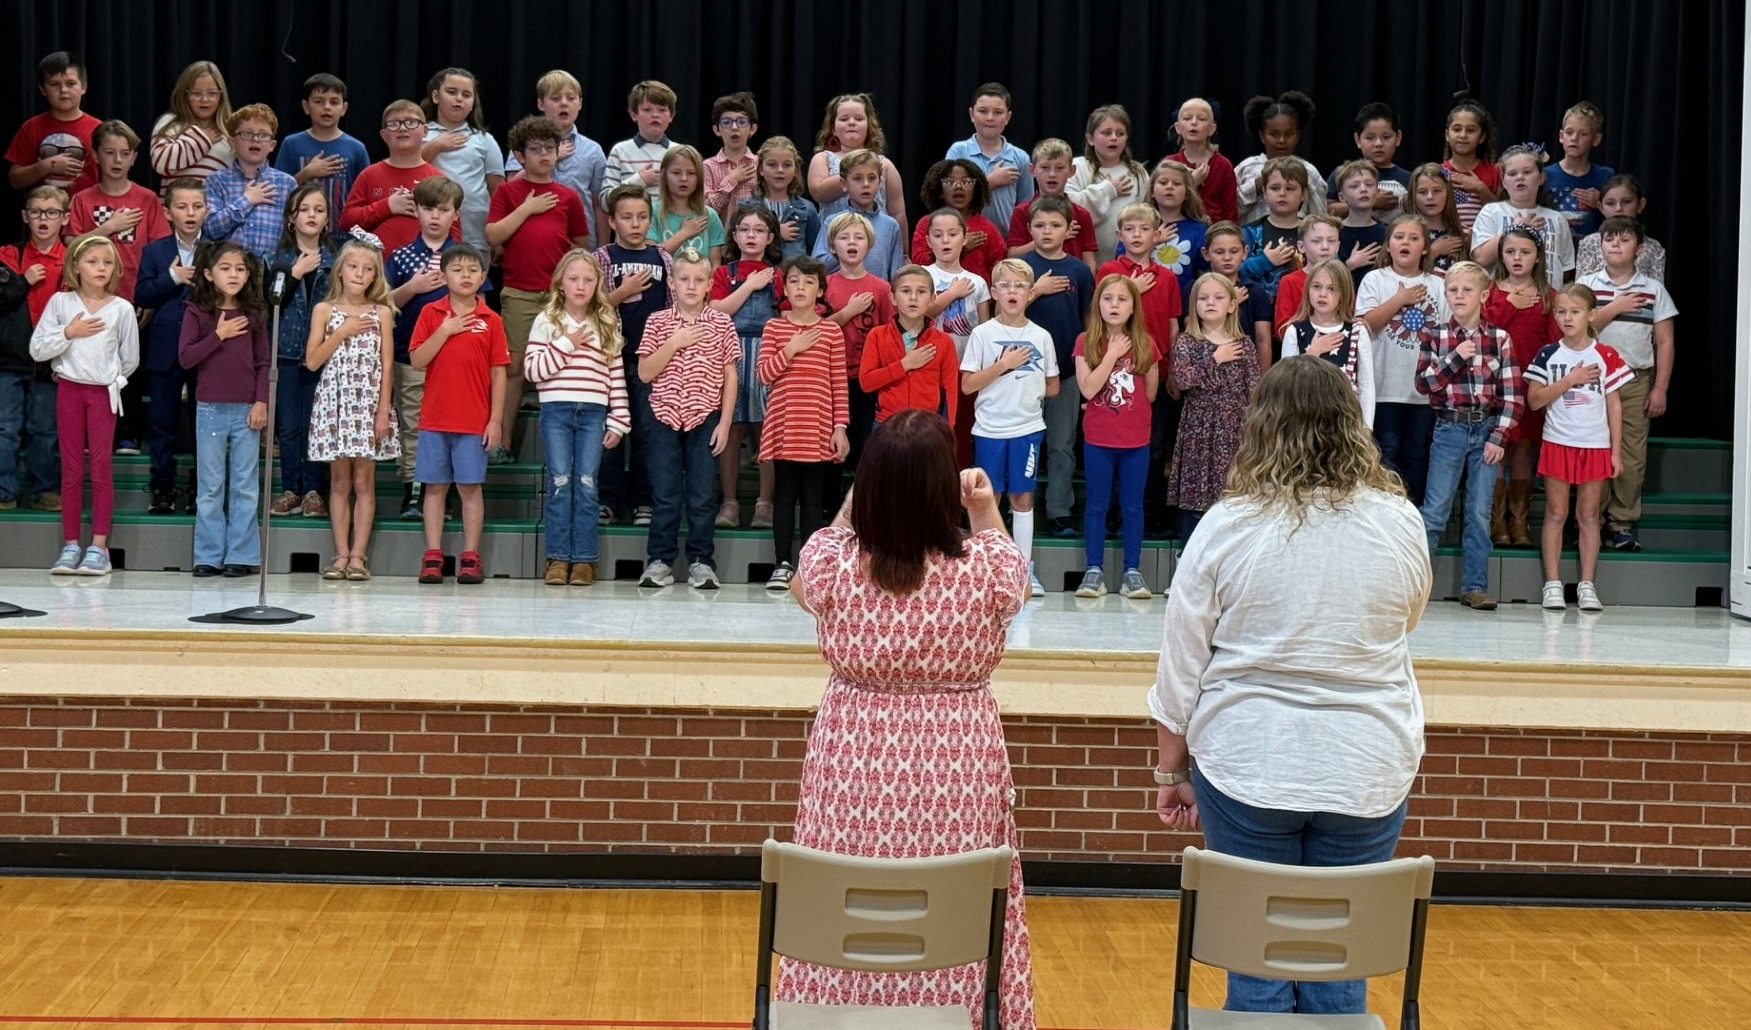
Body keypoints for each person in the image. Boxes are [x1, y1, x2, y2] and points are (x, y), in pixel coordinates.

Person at [1150, 355, 1429, 1019]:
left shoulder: (1228, 524)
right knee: (1340, 961)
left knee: (1257, 961)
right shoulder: (1397, 521)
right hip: (1365, 761)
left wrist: (1169, 773)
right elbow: (1405, 617)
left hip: (1247, 760)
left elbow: (1179, 667)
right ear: (1352, 424)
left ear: (1260, 426)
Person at [780, 408, 1037, 1030]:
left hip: (853, 755)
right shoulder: (983, 570)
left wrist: (857, 504)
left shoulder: (835, 564)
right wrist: (981, 508)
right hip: (958, 759)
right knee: (958, 897)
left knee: (846, 889)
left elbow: (807, 576)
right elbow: (1015, 577)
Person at [1415, 261, 1523, 611]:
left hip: (1487, 431)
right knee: (1434, 511)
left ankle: (1475, 587)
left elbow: (1512, 395)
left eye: (1466, 290)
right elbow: (1423, 385)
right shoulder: (1435, 336)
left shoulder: (1499, 338)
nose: (1459, 296)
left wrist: (1499, 437)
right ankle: (1416, 589)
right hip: (1449, 428)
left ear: (1484, 294)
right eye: (1452, 290)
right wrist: (1453, 360)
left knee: (1479, 511)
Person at [485, 115, 593, 465]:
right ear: (519, 155)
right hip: (519, 291)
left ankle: (561, 449)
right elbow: (493, 236)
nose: (545, 154)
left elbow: (580, 247)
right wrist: (528, 208)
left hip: (558, 296)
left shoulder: (568, 196)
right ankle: (501, 441)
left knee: (564, 363)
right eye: (536, 149)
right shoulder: (508, 192)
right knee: (513, 367)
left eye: (550, 148)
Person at [30, 235, 138, 576]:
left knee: (101, 468)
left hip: (101, 395)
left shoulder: (121, 309)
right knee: (72, 469)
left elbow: (130, 359)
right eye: (93, 261)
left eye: (107, 263)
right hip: (69, 393)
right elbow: (37, 349)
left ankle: (99, 547)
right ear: (76, 265)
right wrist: (69, 332)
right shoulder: (61, 304)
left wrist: (112, 382)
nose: (101, 268)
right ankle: (71, 544)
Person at [636, 250, 739, 590]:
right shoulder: (658, 322)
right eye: (684, 279)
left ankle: (700, 561)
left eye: (698, 280)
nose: (691, 286)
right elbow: (646, 371)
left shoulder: (721, 323)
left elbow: (730, 375)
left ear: (710, 284)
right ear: (672, 282)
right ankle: (660, 561)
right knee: (665, 495)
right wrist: (675, 342)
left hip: (705, 419)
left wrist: (724, 423)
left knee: (701, 496)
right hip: (663, 418)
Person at [525, 250, 628, 587]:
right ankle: (557, 558)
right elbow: (534, 372)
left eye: (588, 279)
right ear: (561, 283)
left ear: (598, 282)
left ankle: (584, 559)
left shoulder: (607, 320)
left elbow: (616, 374)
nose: (581, 286)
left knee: (586, 484)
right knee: (560, 484)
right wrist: (566, 344)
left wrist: (619, 420)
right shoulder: (547, 321)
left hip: (594, 412)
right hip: (556, 411)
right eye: (574, 279)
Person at [1526, 284, 1629, 613]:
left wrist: (1614, 451)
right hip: (1558, 441)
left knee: (1588, 515)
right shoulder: (1547, 354)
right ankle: (1552, 584)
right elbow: (1534, 400)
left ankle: (1587, 585)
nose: (1567, 318)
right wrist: (1569, 380)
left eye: (1575, 311)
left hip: (1595, 444)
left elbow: (1614, 406)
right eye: (1561, 311)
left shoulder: (1606, 354)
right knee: (1556, 513)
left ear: (1591, 315)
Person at [408, 244, 507, 585]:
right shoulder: (430, 313)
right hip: (435, 419)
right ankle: (433, 554)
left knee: (470, 488)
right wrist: (445, 331)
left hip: (473, 421)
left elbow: (498, 373)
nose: (465, 276)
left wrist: (494, 420)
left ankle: (470, 555)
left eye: (472, 270)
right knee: (434, 488)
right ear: (444, 275)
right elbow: (418, 359)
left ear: (482, 277)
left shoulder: (491, 319)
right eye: (457, 269)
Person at [962, 258, 1059, 596]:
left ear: (1030, 292)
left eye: (1019, 285)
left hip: (1027, 428)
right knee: (989, 497)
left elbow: (1053, 385)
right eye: (1005, 285)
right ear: (994, 291)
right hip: (989, 429)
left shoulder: (1041, 336)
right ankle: (986, 569)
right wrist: (1005, 365)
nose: (1012, 291)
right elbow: (968, 384)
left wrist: (1024, 389)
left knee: (1022, 496)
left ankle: (1021, 571)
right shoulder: (982, 334)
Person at [1581, 216, 1677, 553]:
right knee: (1593, 448)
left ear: (1638, 248)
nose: (1616, 246)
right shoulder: (1588, 285)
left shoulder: (1653, 289)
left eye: (1624, 240)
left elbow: (1664, 342)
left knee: (1631, 453)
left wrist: (1660, 388)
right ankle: (1590, 517)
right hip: (1593, 378)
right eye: (1609, 240)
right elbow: (1581, 330)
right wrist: (1616, 306)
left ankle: (1620, 522)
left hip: (1635, 378)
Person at [305, 238, 399, 581]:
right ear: (340, 270)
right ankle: (340, 553)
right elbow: (313, 360)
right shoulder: (325, 311)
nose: (360, 273)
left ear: (375, 275)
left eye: (368, 268)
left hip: (369, 404)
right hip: (336, 402)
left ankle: (359, 555)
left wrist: (382, 410)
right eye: (353, 266)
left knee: (364, 480)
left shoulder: (382, 312)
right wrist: (342, 331)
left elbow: (387, 366)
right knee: (340, 479)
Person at [757, 255, 850, 590]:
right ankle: (781, 563)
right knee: (784, 495)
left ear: (820, 290)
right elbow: (763, 374)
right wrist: (791, 348)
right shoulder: (775, 327)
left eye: (808, 282)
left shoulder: (830, 332)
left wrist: (840, 427)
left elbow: (839, 383)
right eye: (794, 280)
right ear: (785, 287)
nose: (800, 287)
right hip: (785, 425)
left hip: (818, 426)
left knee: (813, 498)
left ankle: (809, 568)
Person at [178, 241, 270, 578]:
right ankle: (208, 554)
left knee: (245, 484)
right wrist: (218, 334)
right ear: (208, 273)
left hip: (246, 408)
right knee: (211, 484)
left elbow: (263, 362)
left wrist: (261, 401)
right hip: (210, 408)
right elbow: (186, 357)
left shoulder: (255, 313)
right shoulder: (196, 311)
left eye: (240, 269)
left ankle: (242, 555)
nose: (234, 275)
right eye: (226, 268)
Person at [385, 175, 471, 520]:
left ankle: (442, 493)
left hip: (454, 363)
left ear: (456, 214)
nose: (435, 217)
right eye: (428, 209)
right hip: (411, 356)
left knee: (449, 426)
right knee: (413, 425)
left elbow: (478, 303)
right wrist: (413, 287)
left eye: (444, 210)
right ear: (416, 211)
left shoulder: (463, 256)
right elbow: (385, 303)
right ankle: (412, 492)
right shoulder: (402, 256)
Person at [1073, 274, 1159, 599]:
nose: (1114, 305)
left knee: (1132, 506)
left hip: (1136, 439)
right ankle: (1093, 571)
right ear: (1098, 304)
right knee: (1096, 505)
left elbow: (1149, 393)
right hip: (1098, 438)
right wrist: (1111, 355)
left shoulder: (1146, 343)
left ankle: (1132, 572)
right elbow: (1088, 388)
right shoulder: (1085, 342)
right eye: (1108, 298)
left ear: (1133, 306)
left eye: (1122, 299)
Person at [1356, 214, 1448, 505]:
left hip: (1424, 392)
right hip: (1385, 388)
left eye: (1413, 237)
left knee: (1417, 454)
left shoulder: (1439, 284)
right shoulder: (1376, 279)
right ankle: (1384, 514)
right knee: (1387, 452)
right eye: (1399, 237)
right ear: (1389, 245)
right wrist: (1400, 299)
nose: (1405, 242)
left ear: (1425, 248)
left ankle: (1414, 516)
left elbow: (1447, 335)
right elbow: (1364, 325)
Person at [596, 184, 674, 528]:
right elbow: (589, 308)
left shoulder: (662, 257)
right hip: (610, 359)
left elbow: (673, 308)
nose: (635, 224)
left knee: (646, 432)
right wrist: (622, 292)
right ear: (612, 220)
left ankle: (644, 500)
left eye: (642, 217)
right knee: (612, 431)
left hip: (651, 362)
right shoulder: (603, 257)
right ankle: (607, 499)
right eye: (626, 217)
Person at [1019, 196, 1095, 538]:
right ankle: (1019, 507)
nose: (1046, 231)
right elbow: (1007, 309)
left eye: (1054, 225)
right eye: (1039, 225)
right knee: (1024, 443)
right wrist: (1036, 289)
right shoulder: (1019, 265)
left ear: (1068, 230)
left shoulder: (1079, 270)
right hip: (1023, 372)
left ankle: (1059, 511)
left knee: (1062, 444)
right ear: (1029, 228)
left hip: (1065, 371)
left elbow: (1087, 319)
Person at [1481, 227, 1559, 547]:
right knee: (1499, 448)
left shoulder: (1548, 296)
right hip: (1496, 384)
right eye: (1511, 251)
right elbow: (1483, 329)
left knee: (1525, 447)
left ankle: (1519, 521)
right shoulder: (1489, 291)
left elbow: (1556, 342)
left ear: (1538, 257)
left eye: (1525, 252)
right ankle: (1497, 521)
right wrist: (1510, 303)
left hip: (1530, 386)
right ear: (1501, 254)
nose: (1517, 258)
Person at [1168, 272, 1260, 541]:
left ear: (1232, 305)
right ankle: (1188, 560)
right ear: (1194, 305)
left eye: (1218, 297)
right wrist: (1215, 358)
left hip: (1233, 430)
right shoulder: (1187, 341)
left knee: (1232, 498)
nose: (1210, 302)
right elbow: (1184, 380)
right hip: (1199, 431)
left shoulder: (1244, 344)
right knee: (1196, 500)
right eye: (1203, 298)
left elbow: (1254, 389)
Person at [709, 204, 784, 528]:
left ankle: (765, 504)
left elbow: (784, 314)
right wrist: (750, 286)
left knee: (766, 430)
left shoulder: (779, 274)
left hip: (767, 351)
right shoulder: (723, 273)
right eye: (745, 230)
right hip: (732, 352)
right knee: (732, 428)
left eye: (758, 230)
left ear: (770, 237)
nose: (751, 235)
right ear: (734, 235)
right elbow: (718, 310)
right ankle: (729, 502)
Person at [266, 182, 336, 519]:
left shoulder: (337, 260)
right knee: (290, 427)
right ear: (291, 217)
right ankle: (290, 488)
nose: (312, 215)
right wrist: (294, 273)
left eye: (319, 210)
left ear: (327, 219)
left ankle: (312, 490)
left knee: (315, 424)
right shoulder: (275, 258)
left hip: (324, 355)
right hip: (286, 353)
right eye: (304, 209)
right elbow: (269, 302)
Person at [135, 179, 204, 515]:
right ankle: (161, 486)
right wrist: (172, 278)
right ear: (167, 212)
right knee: (162, 422)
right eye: (182, 206)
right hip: (165, 349)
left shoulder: (218, 250)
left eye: (197, 206)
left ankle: (198, 487)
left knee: (203, 423)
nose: (190, 213)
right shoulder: (155, 251)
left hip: (207, 350)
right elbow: (142, 294)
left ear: (207, 209)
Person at [67, 120, 169, 303]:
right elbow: (71, 246)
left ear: (134, 158)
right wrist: (108, 227)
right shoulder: (82, 199)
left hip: (136, 294)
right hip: (90, 298)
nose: (118, 160)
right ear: (96, 156)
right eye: (109, 153)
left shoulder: (148, 199)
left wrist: (152, 297)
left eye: (125, 153)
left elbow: (161, 251)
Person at [505, 70, 606, 244]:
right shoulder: (523, 143)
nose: (564, 104)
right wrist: (552, 157)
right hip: (534, 240)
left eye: (571, 98)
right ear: (541, 104)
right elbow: (510, 190)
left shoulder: (593, 150)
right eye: (556, 98)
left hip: (579, 244)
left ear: (580, 104)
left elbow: (599, 205)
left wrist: (603, 249)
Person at [340, 100, 451, 255]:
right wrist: (387, 206)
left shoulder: (437, 179)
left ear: (425, 131)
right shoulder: (369, 175)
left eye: (411, 122)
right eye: (394, 124)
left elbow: (454, 231)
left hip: (424, 269)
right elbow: (347, 221)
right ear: (384, 135)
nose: (403, 128)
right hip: (376, 270)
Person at [858, 264, 959, 428]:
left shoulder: (944, 341)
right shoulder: (877, 336)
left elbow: (949, 391)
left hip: (928, 425)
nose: (913, 297)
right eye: (906, 291)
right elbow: (866, 382)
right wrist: (904, 365)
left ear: (932, 299)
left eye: (921, 292)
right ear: (893, 298)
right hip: (887, 423)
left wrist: (948, 428)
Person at [0, 217, 56, 514]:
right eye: (37, 212)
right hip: (7, 358)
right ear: (24, 216)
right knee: (4, 429)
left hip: (49, 362)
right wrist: (22, 281)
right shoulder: (7, 254)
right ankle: (3, 491)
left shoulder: (70, 257)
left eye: (51, 212)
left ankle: (43, 490)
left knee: (45, 430)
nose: (43, 219)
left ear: (65, 217)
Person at [1280, 259, 1375, 427]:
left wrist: (1366, 429)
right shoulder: (1295, 331)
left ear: (1344, 294)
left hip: (1345, 423)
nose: (1322, 294)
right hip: (1304, 422)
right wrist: (1313, 353)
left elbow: (1366, 385)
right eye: (1316, 287)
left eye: (1331, 289)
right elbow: (1286, 383)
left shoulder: (1357, 331)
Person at [419, 67, 504, 251]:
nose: (459, 99)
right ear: (435, 96)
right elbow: (406, 169)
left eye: (466, 95)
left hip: (475, 237)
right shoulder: (420, 134)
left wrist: (498, 240)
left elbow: (498, 191)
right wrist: (436, 145)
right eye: (451, 92)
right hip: (427, 236)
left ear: (473, 102)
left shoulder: (484, 140)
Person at [202, 104, 298, 261]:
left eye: (263, 135)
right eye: (247, 133)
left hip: (271, 271)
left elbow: (296, 233)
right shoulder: (216, 181)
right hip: (228, 271)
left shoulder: (287, 184)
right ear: (232, 142)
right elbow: (211, 228)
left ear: (272, 145)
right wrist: (246, 201)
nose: (256, 139)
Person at [274, 73, 371, 221]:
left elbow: (366, 196)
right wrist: (306, 173)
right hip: (299, 233)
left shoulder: (356, 148)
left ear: (344, 108)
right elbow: (278, 191)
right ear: (306, 106)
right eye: (318, 101)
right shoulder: (291, 144)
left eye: (334, 102)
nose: (326, 107)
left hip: (343, 236)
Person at [1469, 144, 1574, 279]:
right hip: (1502, 298)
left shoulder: (1557, 219)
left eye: (1527, 172)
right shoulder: (1491, 212)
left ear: (1541, 177)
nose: (1519, 177)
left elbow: (1566, 268)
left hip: (1548, 297)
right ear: (1504, 181)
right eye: (1512, 174)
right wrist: (1515, 228)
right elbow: (1481, 259)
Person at [945, 82, 1034, 238]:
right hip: (964, 241)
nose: (990, 118)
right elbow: (948, 197)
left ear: (1008, 117)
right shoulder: (958, 151)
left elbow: (1026, 207)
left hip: (1006, 243)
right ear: (972, 115)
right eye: (983, 111)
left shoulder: (1020, 157)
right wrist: (990, 182)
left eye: (998, 112)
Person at [808, 93, 908, 226]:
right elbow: (819, 192)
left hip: (877, 241)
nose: (851, 123)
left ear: (869, 126)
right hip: (835, 241)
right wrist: (854, 173)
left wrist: (902, 247)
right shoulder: (823, 158)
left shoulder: (884, 164)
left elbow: (898, 213)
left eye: (859, 118)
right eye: (844, 119)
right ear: (833, 129)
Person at [9, 52, 101, 194]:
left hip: (86, 213)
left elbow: (112, 177)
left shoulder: (99, 129)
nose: (63, 90)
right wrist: (47, 166)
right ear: (43, 89)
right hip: (44, 213)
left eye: (71, 83)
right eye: (54, 84)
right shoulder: (31, 127)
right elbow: (15, 180)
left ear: (83, 87)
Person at [1067, 104, 1148, 262]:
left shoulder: (1137, 173)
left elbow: (1145, 216)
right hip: (1082, 260)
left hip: (1125, 262)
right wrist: (1108, 190)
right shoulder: (1077, 167)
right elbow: (1070, 210)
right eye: (1106, 133)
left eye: (1120, 133)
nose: (1113, 138)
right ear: (1090, 138)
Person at [1233, 91, 1327, 225]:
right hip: (1254, 243)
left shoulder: (1308, 171)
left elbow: (1320, 216)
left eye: (1288, 134)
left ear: (1297, 136)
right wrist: (1256, 186)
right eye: (1274, 134)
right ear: (1262, 136)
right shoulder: (1246, 168)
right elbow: (1230, 210)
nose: (1281, 140)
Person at [1007, 138, 1099, 272]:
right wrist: (1053, 237)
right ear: (1032, 170)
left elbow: (1089, 261)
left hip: (1070, 285)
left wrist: (1088, 288)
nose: (1052, 174)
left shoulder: (1081, 214)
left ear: (1072, 170)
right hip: (1033, 285)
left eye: (1060, 168)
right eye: (1045, 168)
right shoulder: (1022, 211)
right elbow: (1012, 255)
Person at [809, 149, 904, 278]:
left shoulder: (890, 226)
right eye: (857, 178)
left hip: (877, 295)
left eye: (872, 178)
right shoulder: (833, 222)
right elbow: (817, 267)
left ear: (879, 183)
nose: (866, 184)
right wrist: (842, 252)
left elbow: (896, 273)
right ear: (844, 184)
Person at [910, 159, 1007, 282]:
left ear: (975, 191)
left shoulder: (986, 228)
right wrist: (962, 249)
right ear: (940, 191)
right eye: (950, 183)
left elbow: (998, 269)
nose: (958, 187)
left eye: (966, 182)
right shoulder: (927, 224)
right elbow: (918, 262)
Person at [149, 61, 232, 183]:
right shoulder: (171, 123)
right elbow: (160, 163)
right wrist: (202, 139)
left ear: (221, 96)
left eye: (212, 93)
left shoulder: (230, 131)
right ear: (184, 95)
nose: (204, 100)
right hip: (176, 201)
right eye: (196, 93)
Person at [600, 80, 677, 208]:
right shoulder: (620, 151)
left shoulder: (679, 152)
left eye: (662, 110)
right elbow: (605, 202)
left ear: (671, 116)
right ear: (634, 114)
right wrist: (638, 181)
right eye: (647, 110)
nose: (655, 115)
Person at [1574, 174, 1665, 281]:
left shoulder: (1653, 247)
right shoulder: (1590, 243)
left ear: (1640, 205)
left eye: (1626, 202)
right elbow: (1580, 291)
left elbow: (1657, 290)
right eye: (1610, 203)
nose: (1618, 209)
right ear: (1601, 207)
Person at [1164, 97, 1238, 226]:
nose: (1194, 123)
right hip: (1176, 234)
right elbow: (1163, 205)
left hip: (1213, 235)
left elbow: (1230, 214)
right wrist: (1191, 183)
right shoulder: (1170, 164)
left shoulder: (1223, 165)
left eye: (1201, 119)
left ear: (1212, 128)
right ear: (1178, 127)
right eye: (1187, 118)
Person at [1545, 101, 1613, 241]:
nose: (1574, 138)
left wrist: (1601, 204)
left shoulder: (1605, 176)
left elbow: (1619, 219)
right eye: (1569, 132)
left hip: (1591, 256)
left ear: (1596, 139)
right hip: (1553, 254)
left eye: (1583, 134)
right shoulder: (1544, 175)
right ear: (1561, 136)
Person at [1326, 103, 1410, 215]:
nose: (1378, 144)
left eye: (1386, 137)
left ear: (1398, 138)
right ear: (1358, 140)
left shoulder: (1409, 179)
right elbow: (1325, 208)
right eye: (1370, 138)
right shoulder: (1342, 174)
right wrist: (1371, 203)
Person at [649, 144, 725, 267]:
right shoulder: (651, 212)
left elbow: (715, 264)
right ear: (664, 175)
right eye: (676, 173)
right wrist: (684, 233)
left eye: (691, 173)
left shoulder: (709, 216)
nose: (684, 178)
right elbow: (650, 258)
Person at [753, 135, 819, 260]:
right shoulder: (748, 207)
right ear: (761, 169)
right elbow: (738, 245)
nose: (780, 170)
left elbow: (815, 249)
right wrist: (776, 232)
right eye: (772, 165)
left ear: (795, 170)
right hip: (759, 275)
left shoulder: (806, 209)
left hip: (795, 276)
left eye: (787, 165)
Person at [1440, 99, 1500, 234]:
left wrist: (1480, 189)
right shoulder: (1438, 172)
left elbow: (1502, 213)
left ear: (1482, 137)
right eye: (1456, 129)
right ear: (1447, 135)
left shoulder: (1494, 172)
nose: (1463, 135)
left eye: (1470, 130)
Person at [702, 92, 760, 224]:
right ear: (717, 129)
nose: (734, 128)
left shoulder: (761, 164)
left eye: (742, 122)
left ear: (753, 129)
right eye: (727, 122)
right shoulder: (708, 166)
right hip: (721, 241)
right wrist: (731, 180)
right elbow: (706, 211)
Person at [1406, 163, 1467, 273]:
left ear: (1448, 194)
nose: (1430, 197)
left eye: (1437, 191)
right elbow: (1404, 273)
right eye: (1422, 192)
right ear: (1413, 196)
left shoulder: (1463, 233)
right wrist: (1434, 251)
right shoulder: (1405, 234)